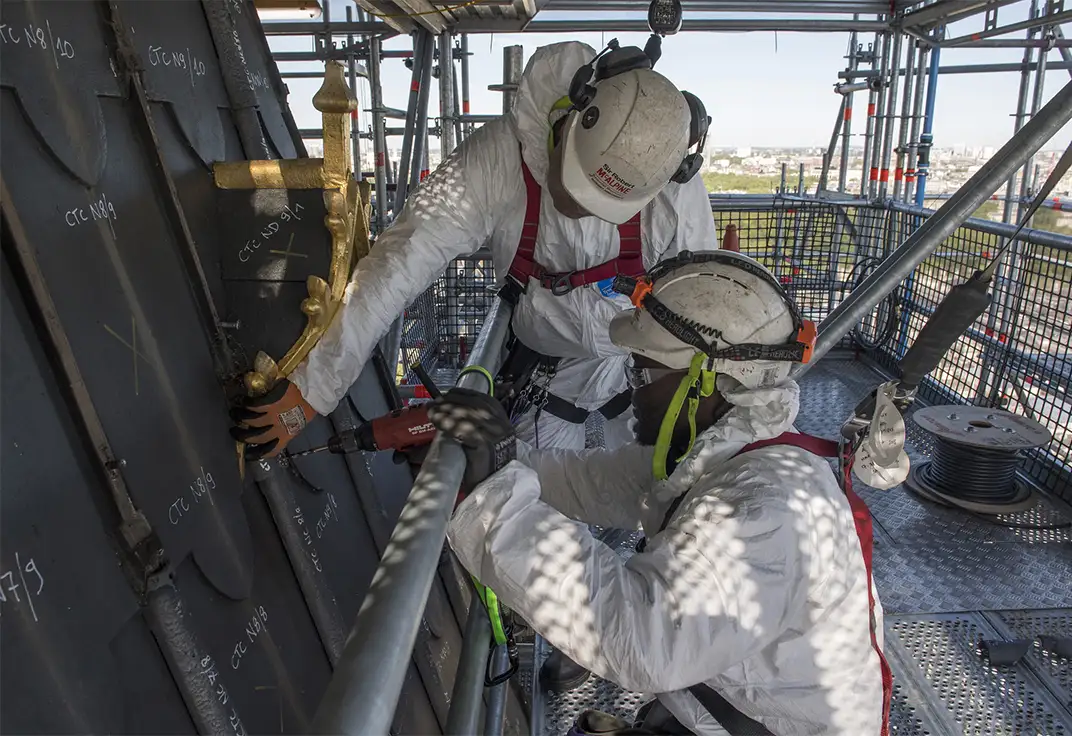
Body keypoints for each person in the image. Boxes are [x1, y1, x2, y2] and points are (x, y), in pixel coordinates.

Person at [429, 250, 892, 735]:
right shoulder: (717, 452)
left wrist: (492, 496)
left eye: (644, 373)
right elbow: (588, 482)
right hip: (719, 710)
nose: (633, 393)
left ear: (706, 384)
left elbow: (646, 639)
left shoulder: (763, 508)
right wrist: (498, 455)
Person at [230, 39, 717, 459]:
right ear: (571, 119)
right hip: (540, 366)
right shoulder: (497, 160)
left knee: (634, 491)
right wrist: (315, 390)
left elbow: (700, 309)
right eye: (573, 186)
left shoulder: (664, 172)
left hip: (629, 366)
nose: (580, 210)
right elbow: (403, 261)